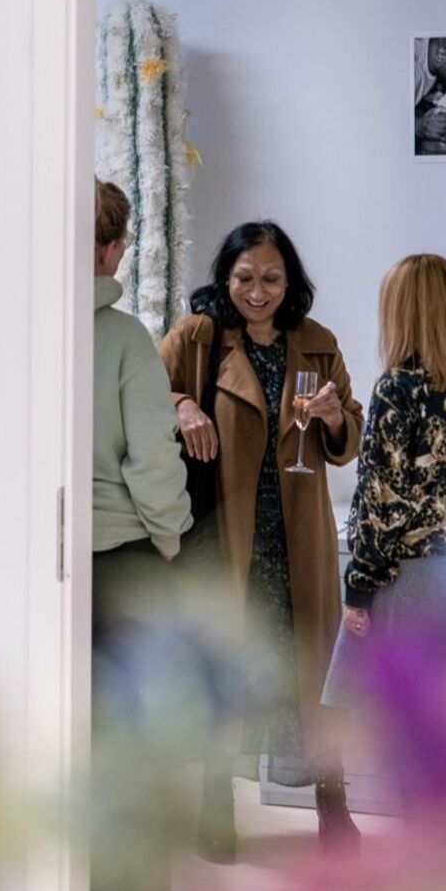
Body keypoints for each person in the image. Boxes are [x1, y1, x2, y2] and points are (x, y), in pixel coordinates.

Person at [159, 222, 364, 845]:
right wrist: (183, 405)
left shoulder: (317, 342)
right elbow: (146, 392)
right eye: (245, 277)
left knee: (309, 671)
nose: (257, 291)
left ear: (289, 281)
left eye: (271, 278)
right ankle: (215, 804)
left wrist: (334, 419)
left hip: (297, 534)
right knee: (229, 667)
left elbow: (349, 435)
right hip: (229, 532)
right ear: (225, 276)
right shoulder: (198, 337)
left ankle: (334, 806)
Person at [91, 179, 219, 891]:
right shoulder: (123, 339)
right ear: (110, 249)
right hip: (125, 568)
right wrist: (173, 540)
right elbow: (152, 465)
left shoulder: (16, 324)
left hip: (46, 567)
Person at [323, 254, 446, 701]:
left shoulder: (397, 389)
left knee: (395, 736)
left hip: (409, 584)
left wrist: (359, 591)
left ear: (401, 314)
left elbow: (380, 503)